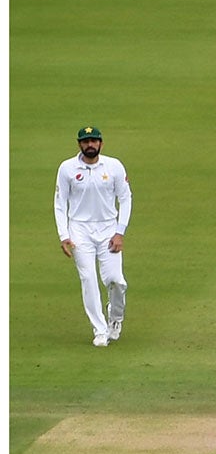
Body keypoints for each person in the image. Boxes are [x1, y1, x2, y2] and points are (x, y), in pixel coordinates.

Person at [54, 125, 132, 348]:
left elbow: (125, 198)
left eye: (94, 141)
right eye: (86, 141)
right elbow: (60, 203)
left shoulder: (114, 166)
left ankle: (115, 318)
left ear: (101, 143)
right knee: (88, 279)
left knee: (116, 281)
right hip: (80, 230)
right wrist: (64, 235)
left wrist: (120, 232)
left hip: (108, 229)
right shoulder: (67, 168)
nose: (90, 145)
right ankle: (100, 330)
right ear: (79, 144)